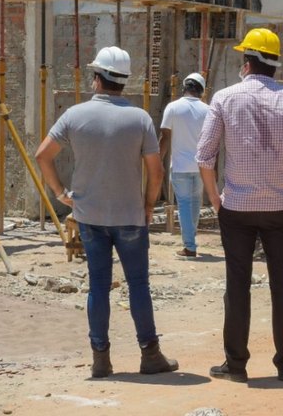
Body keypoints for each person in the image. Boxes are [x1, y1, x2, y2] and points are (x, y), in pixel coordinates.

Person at [35, 46, 178, 378]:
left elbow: (43, 155)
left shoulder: (74, 115)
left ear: (96, 78)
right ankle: (150, 355)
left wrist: (60, 193)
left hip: (90, 217)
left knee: (97, 286)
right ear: (124, 81)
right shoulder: (139, 118)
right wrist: (147, 205)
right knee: (138, 284)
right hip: (130, 217)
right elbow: (156, 171)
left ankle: (101, 359)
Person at [196, 27, 283, 383]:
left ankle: (236, 365)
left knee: (237, 284)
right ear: (275, 65)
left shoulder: (223, 97)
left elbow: (205, 158)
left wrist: (215, 200)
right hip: (281, 207)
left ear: (246, 62)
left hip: (236, 206)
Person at [159, 72, 210, 257]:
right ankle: (191, 239)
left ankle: (190, 246)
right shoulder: (207, 110)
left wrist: (158, 161)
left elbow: (165, 137)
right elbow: (213, 141)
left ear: (184, 88)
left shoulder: (172, 108)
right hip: (202, 167)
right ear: (202, 91)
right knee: (195, 203)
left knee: (185, 205)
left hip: (180, 167)